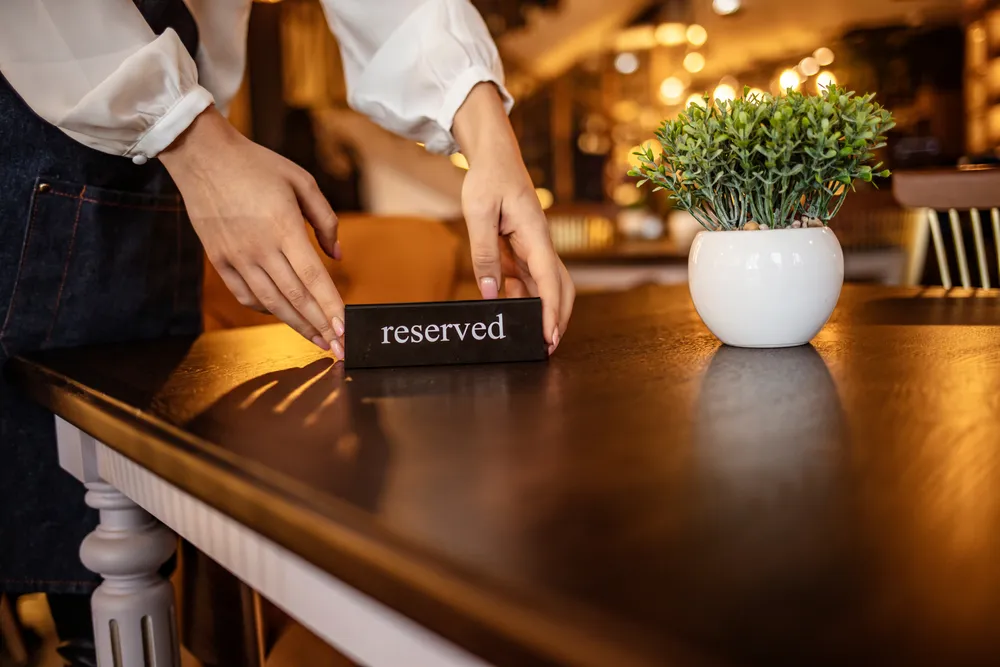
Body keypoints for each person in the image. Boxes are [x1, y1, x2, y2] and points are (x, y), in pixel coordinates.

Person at [0, 0, 574, 662]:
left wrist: (490, 136)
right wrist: (191, 139)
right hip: (36, 155)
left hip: (147, 193)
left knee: (109, 569)